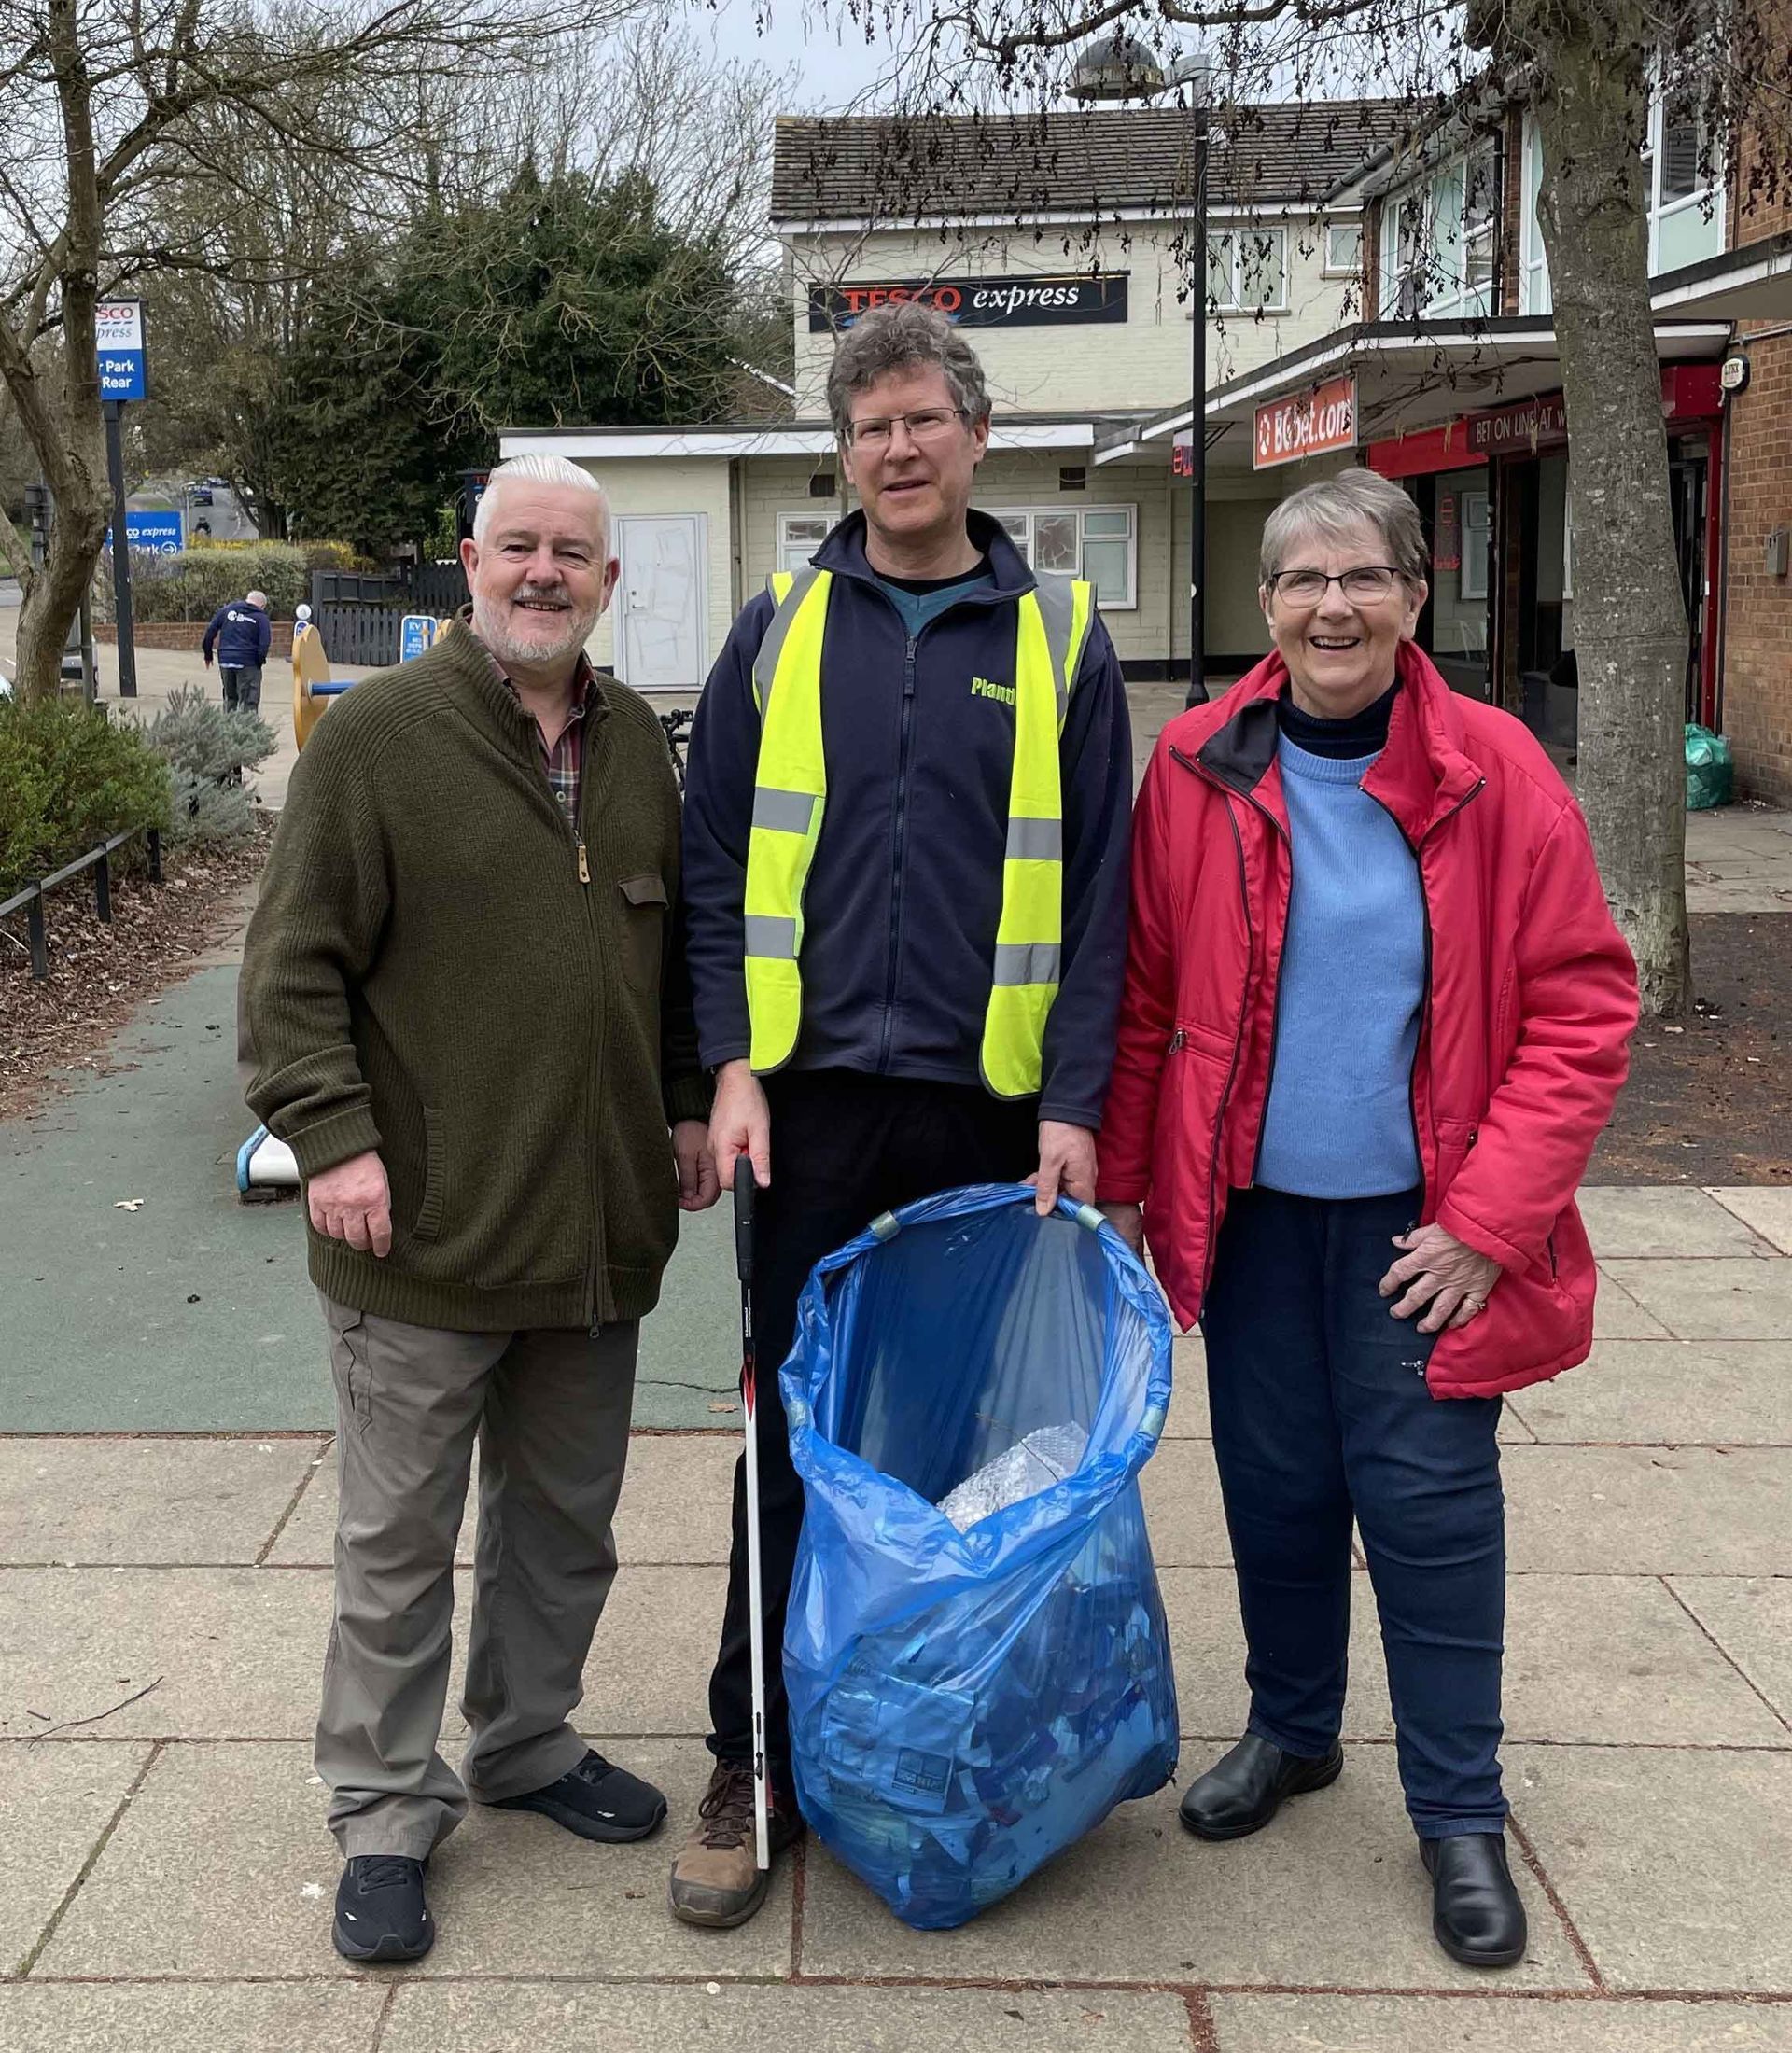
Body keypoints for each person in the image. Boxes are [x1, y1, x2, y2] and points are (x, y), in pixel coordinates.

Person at [1096, 468, 1637, 1970]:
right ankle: (1293, 1732)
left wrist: (1489, 1225)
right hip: (1259, 1216)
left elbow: (1583, 1006)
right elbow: (1149, 998)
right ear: (1266, 604)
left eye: (1362, 578)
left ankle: (1458, 1812)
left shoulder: (1498, 768)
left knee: (1428, 1507)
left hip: (1426, 1226)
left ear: (1413, 594)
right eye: (1300, 581)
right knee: (1273, 1488)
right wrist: (1133, 1196)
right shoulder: (1201, 761)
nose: (1331, 606)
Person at [671, 301, 1135, 1929]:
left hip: (988, 1128)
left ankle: (963, 1744)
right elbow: (716, 872)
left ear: (975, 434)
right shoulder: (776, 631)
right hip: (799, 1121)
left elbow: (1102, 905)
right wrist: (726, 1063)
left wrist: (1075, 1104)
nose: (898, 447)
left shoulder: (1063, 641)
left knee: (971, 1458)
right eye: (869, 427)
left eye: (924, 418)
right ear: (844, 452)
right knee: (786, 1448)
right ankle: (757, 1760)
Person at [242, 452, 719, 1964]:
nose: (543, 575)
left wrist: (696, 1099)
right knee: (397, 1546)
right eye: (519, 547)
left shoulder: (640, 741)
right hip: (421, 1233)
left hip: (593, 1238)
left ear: (607, 581)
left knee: (563, 1529)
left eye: (572, 554)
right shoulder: (379, 740)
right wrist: (332, 1140)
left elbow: (675, 953)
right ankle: (385, 1809)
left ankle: (524, 1743)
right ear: (469, 560)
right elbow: (291, 973)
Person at [202, 587, 272, 711]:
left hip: (226, 660)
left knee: (230, 700)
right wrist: (259, 662)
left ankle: (228, 728)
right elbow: (264, 644)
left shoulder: (227, 610)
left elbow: (210, 631)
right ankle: (247, 729)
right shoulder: (261, 618)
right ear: (262, 606)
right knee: (249, 702)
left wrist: (208, 654)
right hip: (248, 663)